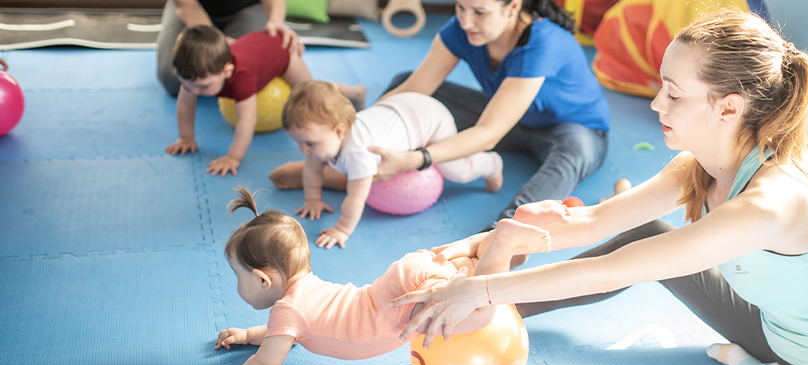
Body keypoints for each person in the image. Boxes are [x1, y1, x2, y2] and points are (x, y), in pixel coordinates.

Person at [390, 10, 808, 365]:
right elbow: (594, 221)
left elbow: (609, 272)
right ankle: (501, 311)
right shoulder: (698, 165)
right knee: (646, 233)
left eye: (674, 95)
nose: (657, 104)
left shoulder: (772, 203)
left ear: (729, 108)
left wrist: (478, 286)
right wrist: (484, 247)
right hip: (771, 330)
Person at [268, 0, 611, 230]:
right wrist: (358, 142)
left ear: (513, 6)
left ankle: (504, 232)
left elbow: (489, 133)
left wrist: (417, 158)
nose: (466, 21)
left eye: (479, 12)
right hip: (505, 118)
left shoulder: (544, 42)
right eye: (460, 7)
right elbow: (416, 88)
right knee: (403, 85)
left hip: (570, 130)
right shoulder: (461, 28)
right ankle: (356, 169)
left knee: (573, 156)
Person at [203, 185, 565, 365]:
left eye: (237, 275)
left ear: (263, 279)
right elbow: (283, 336)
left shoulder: (288, 311)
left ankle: (503, 242)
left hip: (404, 305)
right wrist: (248, 335)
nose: (237, 283)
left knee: (480, 311)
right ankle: (499, 241)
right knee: (466, 275)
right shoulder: (301, 296)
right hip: (402, 278)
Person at [279, 80, 504, 250]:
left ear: (339, 131)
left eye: (309, 143)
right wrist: (313, 199)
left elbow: (356, 197)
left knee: (457, 170)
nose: (303, 150)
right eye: (298, 142)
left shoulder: (357, 153)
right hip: (401, 107)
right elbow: (312, 170)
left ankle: (491, 163)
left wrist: (342, 229)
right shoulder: (321, 141)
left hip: (428, 118)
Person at [163, 26, 362, 176]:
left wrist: (233, 157)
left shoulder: (241, 77)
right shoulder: (193, 77)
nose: (194, 91)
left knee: (313, 93)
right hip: (259, 46)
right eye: (187, 84)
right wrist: (186, 137)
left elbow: (247, 120)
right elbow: (186, 104)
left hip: (282, 52)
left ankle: (355, 92)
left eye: (204, 86)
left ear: (227, 71)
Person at [155, 0, 303, 97]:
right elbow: (185, 4)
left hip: (247, 8)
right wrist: (215, 41)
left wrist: (276, 22)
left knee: (248, 68)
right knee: (172, 77)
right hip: (192, 7)